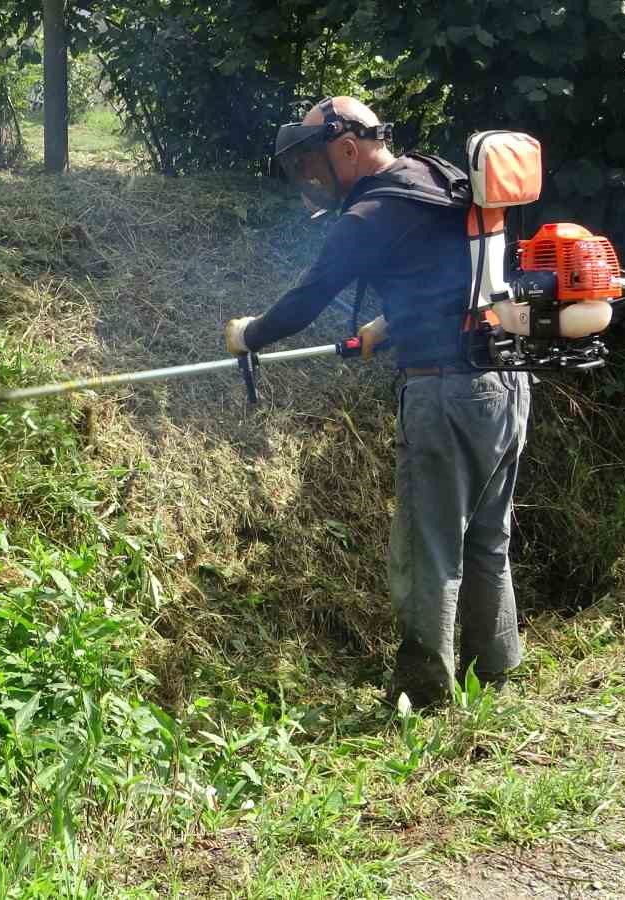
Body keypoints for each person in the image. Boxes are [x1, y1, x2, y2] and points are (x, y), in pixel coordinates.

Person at [224, 96, 531, 709]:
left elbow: (309, 299)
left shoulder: (370, 213)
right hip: (504, 383)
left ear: (346, 148)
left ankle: (425, 698)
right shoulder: (437, 176)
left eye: (314, 163)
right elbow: (460, 277)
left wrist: (249, 333)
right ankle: (495, 677)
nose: (312, 178)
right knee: (486, 539)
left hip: (444, 392)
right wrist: (388, 325)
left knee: (427, 551)